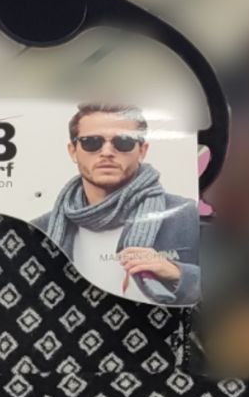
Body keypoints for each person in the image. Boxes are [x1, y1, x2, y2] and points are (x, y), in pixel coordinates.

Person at [35, 103, 201, 304]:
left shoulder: (185, 216)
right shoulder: (39, 230)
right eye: (91, 142)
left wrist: (178, 273)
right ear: (73, 151)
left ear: (142, 150)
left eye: (123, 142)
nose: (107, 152)